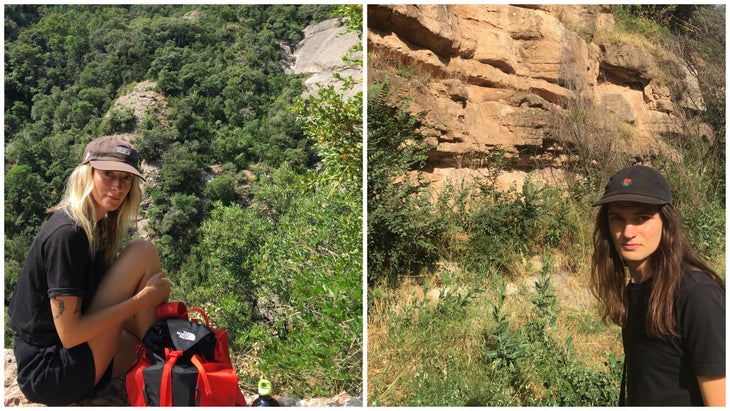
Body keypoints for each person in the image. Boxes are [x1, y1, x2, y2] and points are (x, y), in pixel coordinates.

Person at [9, 135, 172, 405]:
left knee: (141, 344)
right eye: (108, 174)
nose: (118, 186)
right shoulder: (68, 235)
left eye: (126, 178)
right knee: (142, 251)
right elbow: (70, 334)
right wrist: (143, 300)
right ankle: (165, 369)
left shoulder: (97, 226)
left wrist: (148, 309)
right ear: (87, 174)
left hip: (65, 356)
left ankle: (163, 361)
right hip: (50, 371)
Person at [590, 165, 725, 406]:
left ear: (666, 223)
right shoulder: (637, 288)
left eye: (642, 218)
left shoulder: (696, 294)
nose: (628, 232)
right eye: (617, 218)